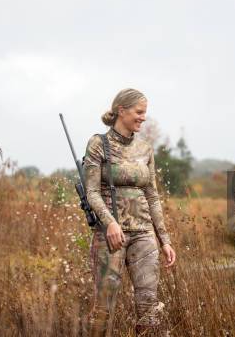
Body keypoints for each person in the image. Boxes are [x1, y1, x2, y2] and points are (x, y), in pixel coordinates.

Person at [83, 88, 176, 336]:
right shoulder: (98, 144)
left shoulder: (146, 149)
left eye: (145, 113)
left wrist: (164, 240)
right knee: (104, 308)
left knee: (149, 308)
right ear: (121, 111)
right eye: (139, 112)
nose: (143, 117)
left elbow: (153, 197)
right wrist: (110, 223)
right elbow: (92, 193)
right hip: (110, 236)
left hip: (144, 235)